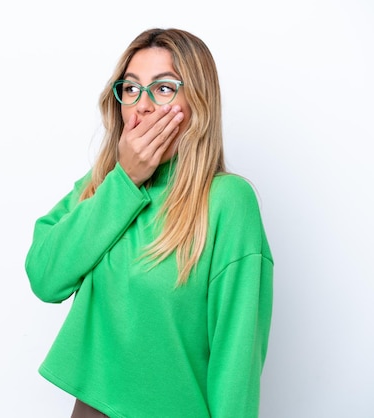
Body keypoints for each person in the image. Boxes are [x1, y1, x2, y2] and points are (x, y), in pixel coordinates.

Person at [24, 28, 273, 418]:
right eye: (131, 88)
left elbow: (236, 362)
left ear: (198, 103)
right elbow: (45, 277)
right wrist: (124, 180)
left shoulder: (228, 201)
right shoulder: (104, 185)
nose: (141, 106)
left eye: (163, 89)